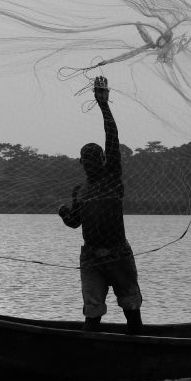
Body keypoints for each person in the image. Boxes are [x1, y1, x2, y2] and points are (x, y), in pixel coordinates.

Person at [59, 76, 144, 333]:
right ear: (81, 163)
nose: (91, 162)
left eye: (96, 157)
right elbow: (75, 223)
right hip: (91, 258)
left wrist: (103, 104)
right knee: (92, 311)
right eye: (87, 159)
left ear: (103, 160)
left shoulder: (111, 179)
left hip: (118, 254)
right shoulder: (80, 190)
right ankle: (90, 354)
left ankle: (137, 348)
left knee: (131, 307)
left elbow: (112, 137)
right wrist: (64, 213)